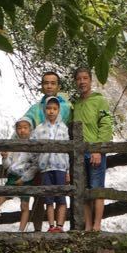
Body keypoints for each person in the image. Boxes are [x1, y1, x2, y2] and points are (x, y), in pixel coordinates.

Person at [72, 66, 113, 232]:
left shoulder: (99, 100)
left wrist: (97, 149)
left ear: (90, 80)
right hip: (79, 155)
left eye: (85, 78)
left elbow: (106, 125)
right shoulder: (76, 104)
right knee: (84, 190)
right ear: (75, 82)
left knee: (97, 189)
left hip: (95, 152)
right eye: (79, 79)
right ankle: (87, 226)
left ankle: (97, 225)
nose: (82, 82)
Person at [33, 96, 70, 233]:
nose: (51, 111)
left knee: (61, 198)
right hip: (45, 168)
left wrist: (68, 171)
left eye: (54, 109)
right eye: (49, 108)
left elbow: (67, 150)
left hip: (60, 167)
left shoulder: (64, 128)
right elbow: (33, 150)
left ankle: (60, 226)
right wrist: (36, 166)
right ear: (44, 110)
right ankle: (51, 225)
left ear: (58, 110)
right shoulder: (39, 129)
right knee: (48, 199)